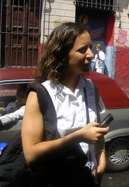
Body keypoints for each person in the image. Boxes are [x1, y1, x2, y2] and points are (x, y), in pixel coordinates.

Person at [21, 22, 109, 186]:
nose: (90, 54)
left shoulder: (91, 88)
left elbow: (97, 132)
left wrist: (101, 156)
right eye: (82, 50)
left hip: (88, 178)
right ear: (62, 54)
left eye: (90, 47)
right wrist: (78, 137)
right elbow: (31, 153)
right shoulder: (40, 94)